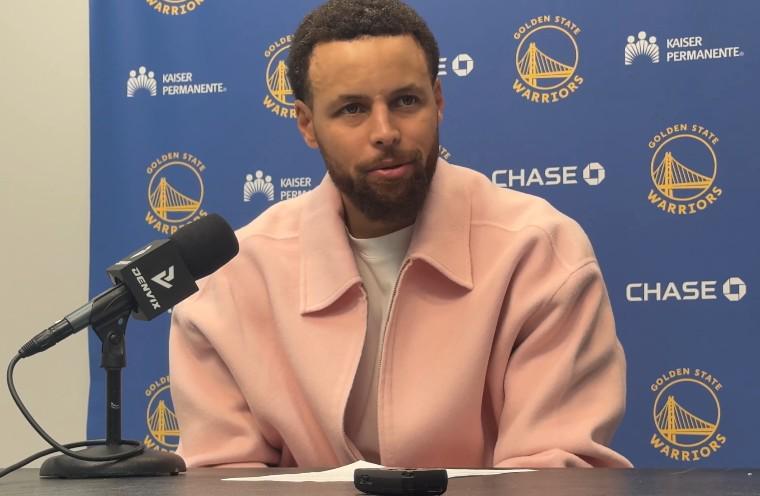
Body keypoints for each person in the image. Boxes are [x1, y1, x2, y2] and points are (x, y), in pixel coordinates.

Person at [169, 0, 631, 469]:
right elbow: (222, 479)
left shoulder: (541, 253)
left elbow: (552, 473)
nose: (385, 132)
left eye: (406, 101)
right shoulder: (230, 283)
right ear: (307, 124)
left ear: (438, 100)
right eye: (352, 109)